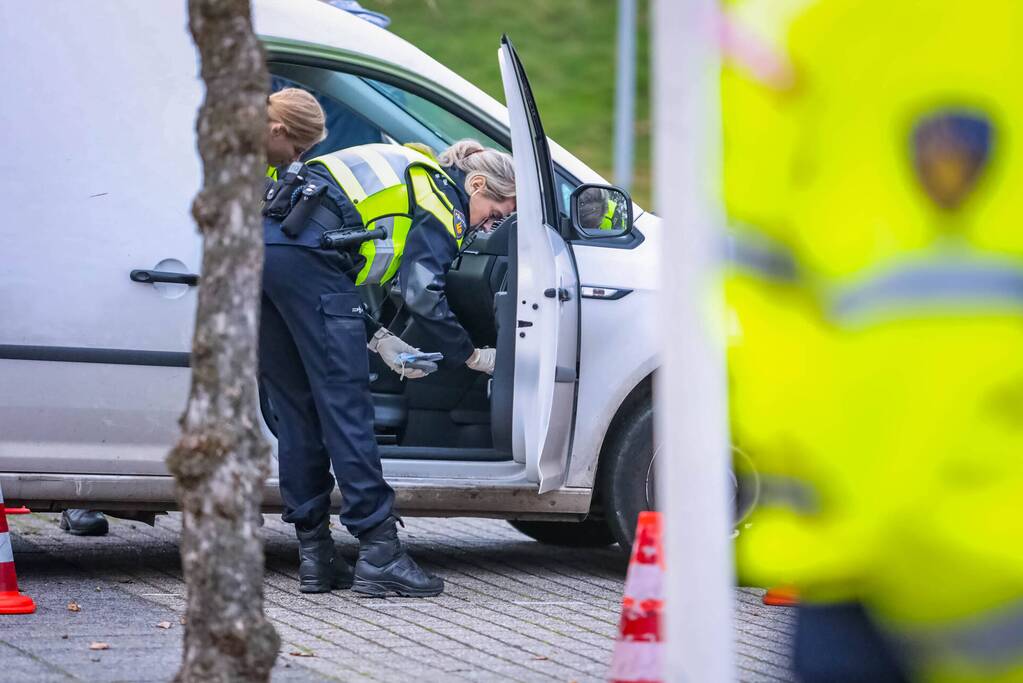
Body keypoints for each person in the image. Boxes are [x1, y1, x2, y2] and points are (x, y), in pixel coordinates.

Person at [260, 88, 443, 597]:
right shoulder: (423, 174)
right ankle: (380, 551)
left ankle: (315, 556)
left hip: (258, 260)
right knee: (345, 408)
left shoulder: (251, 146)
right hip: (308, 260)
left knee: (296, 412)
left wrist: (374, 333)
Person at [303, 139, 516, 376]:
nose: (487, 229)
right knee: (334, 387)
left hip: (287, 245)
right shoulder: (442, 202)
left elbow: (323, 273)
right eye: (494, 216)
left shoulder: (421, 173)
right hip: (294, 257)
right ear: (477, 184)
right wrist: (471, 356)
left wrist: (377, 337)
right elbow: (422, 292)